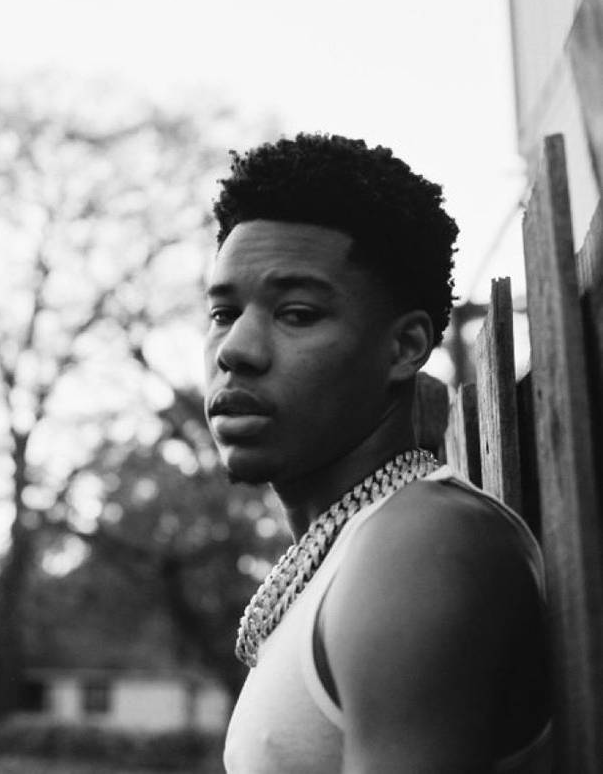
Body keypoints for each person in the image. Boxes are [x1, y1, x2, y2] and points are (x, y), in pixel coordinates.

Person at [203, 133, 550, 773]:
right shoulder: (352, 548)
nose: (236, 349)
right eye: (224, 313)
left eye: (297, 313)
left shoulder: (421, 542)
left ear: (403, 348)